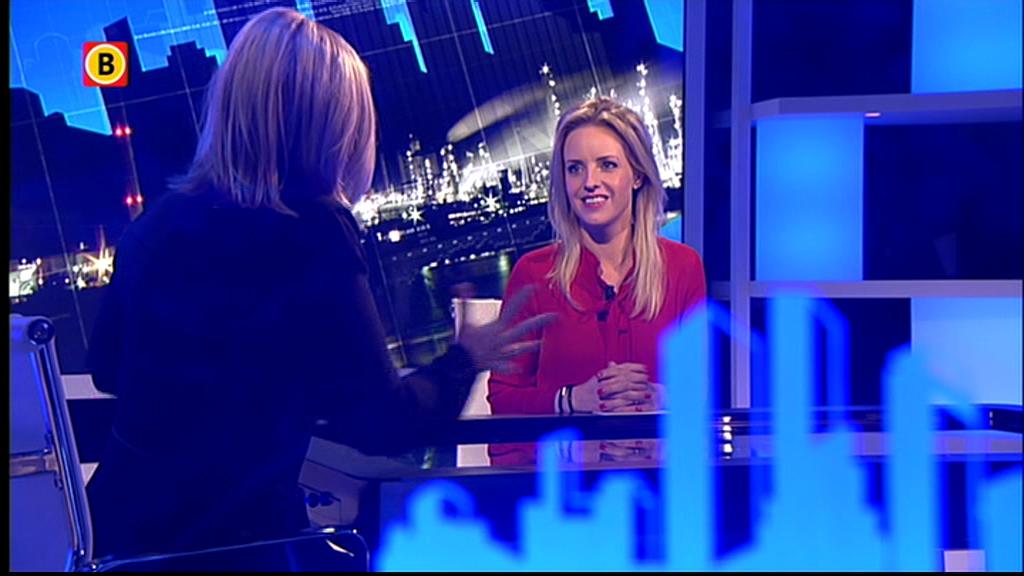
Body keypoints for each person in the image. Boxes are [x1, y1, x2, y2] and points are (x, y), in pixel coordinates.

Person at [85, 7, 551, 569]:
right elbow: (381, 422)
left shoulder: (157, 221)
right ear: (333, 126)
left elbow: (106, 368)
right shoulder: (311, 229)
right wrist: (468, 357)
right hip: (238, 547)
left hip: (114, 544)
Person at [487, 97, 706, 465]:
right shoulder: (534, 274)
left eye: (607, 165)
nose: (590, 182)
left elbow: (702, 389)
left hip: (661, 479)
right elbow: (503, 400)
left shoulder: (683, 267)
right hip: (563, 484)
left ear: (637, 175)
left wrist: (657, 398)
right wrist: (572, 400)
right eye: (575, 169)